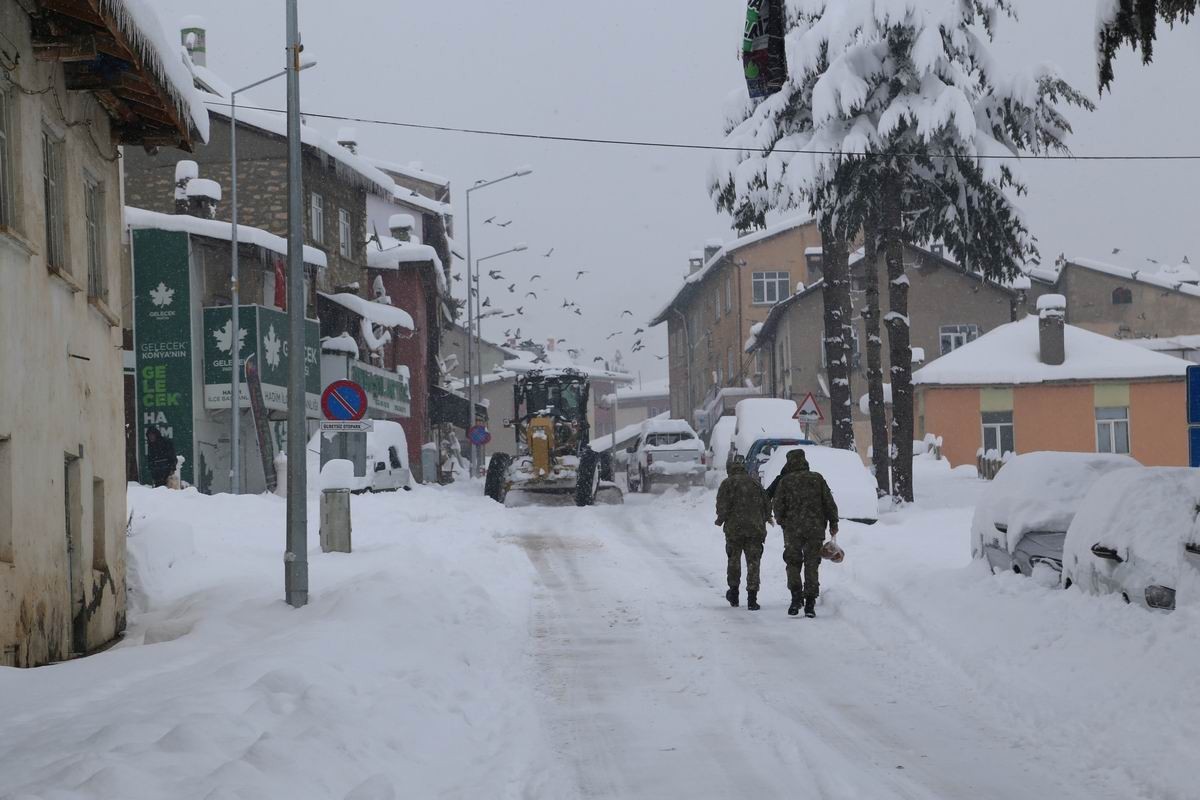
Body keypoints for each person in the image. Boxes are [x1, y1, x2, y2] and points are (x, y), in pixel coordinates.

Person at [771, 449, 838, 618]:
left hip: (792, 529)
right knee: (811, 564)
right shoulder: (817, 479)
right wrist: (833, 522)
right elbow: (829, 502)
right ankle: (810, 603)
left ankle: (795, 597)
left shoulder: (785, 482)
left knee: (793, 562)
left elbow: (777, 505)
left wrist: (782, 521)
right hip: (815, 529)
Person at [715, 459, 773, 611]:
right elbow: (766, 504)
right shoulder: (755, 484)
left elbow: (722, 506)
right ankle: (752, 598)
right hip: (755, 530)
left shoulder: (727, 484)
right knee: (753, 563)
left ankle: (734, 593)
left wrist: (721, 519)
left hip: (735, 530)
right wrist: (765, 518)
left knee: (734, 561)